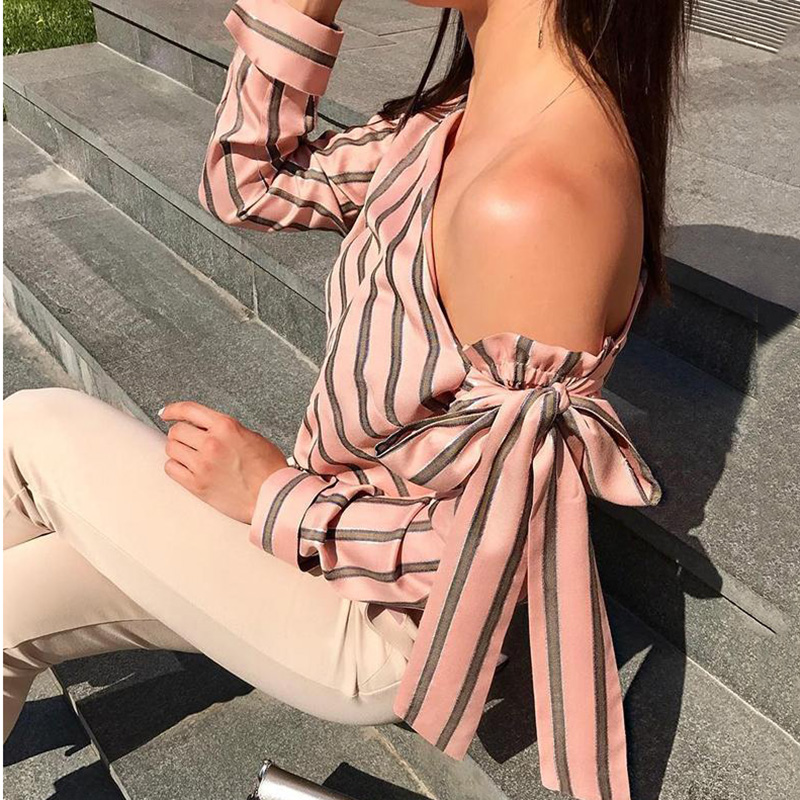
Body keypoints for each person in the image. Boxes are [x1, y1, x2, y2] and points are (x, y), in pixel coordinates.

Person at [4, 1, 688, 798]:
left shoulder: (532, 199)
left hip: (374, 622)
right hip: (318, 533)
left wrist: (271, 495)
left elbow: (486, 547)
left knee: (33, 426)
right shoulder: (445, 123)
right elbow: (249, 187)